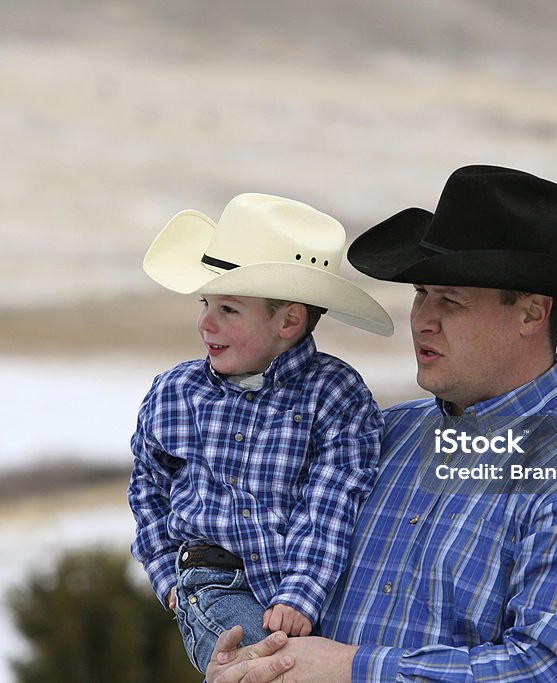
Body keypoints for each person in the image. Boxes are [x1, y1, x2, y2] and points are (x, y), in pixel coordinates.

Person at [205, 165, 557, 683]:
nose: (423, 318)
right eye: (421, 294)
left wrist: (352, 668)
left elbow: (548, 672)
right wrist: (249, 654)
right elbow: (266, 560)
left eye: (451, 300)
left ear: (532, 314)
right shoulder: (376, 437)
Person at [127, 193, 394, 672]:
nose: (205, 322)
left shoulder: (334, 394)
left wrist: (301, 590)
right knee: (273, 670)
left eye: (229, 309)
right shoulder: (175, 392)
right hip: (212, 584)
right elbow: (148, 486)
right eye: (206, 302)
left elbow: (333, 500)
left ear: (289, 320)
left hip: (309, 591)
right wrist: (166, 574)